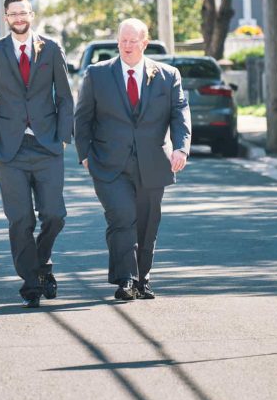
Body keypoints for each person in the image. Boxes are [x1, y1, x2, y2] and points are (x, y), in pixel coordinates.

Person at [73, 18, 191, 301]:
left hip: (153, 162)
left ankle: (142, 280)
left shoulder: (167, 75)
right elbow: (82, 116)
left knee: (147, 223)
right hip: (108, 163)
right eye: (122, 40)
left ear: (144, 43)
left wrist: (181, 147)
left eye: (133, 41)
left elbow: (179, 112)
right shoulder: (97, 74)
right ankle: (124, 279)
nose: (127, 46)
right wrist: (84, 155)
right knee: (122, 217)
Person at [0, 0, 74, 308]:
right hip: (10, 149)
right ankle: (31, 283)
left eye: (23, 12)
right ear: (5, 17)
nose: (19, 18)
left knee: (55, 216)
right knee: (20, 220)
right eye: (13, 14)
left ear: (32, 15)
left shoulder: (51, 48)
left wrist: (62, 136)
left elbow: (65, 96)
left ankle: (42, 260)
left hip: (47, 146)